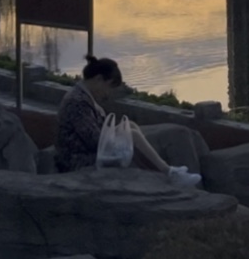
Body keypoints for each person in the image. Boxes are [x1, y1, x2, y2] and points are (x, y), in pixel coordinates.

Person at [55, 55, 200, 184]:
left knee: (130, 126)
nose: (108, 94)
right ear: (98, 79)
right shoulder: (78, 102)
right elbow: (94, 140)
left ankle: (163, 173)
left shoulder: (83, 96)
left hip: (85, 152)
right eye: (109, 87)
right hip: (77, 160)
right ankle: (168, 172)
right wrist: (122, 139)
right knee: (133, 136)